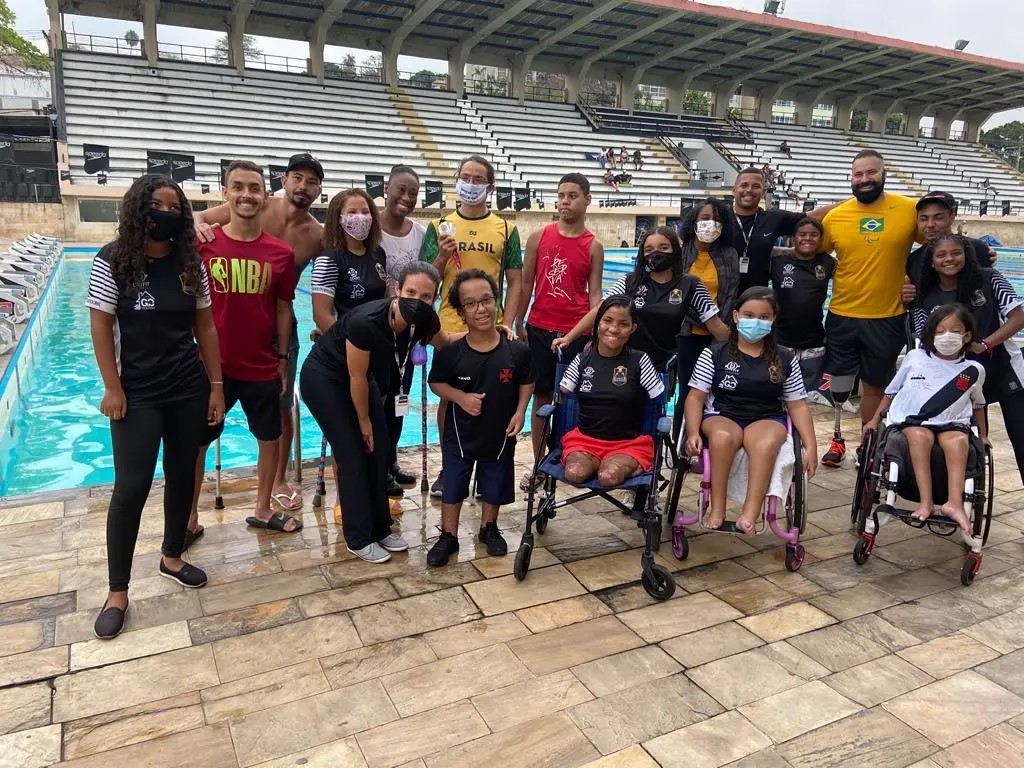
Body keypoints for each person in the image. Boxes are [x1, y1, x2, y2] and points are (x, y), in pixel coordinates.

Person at [87, 174, 225, 639]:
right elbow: (101, 327)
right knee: (131, 487)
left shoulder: (189, 264)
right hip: (137, 391)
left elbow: (205, 328)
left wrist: (215, 387)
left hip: (186, 386)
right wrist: (112, 388)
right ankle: (117, 592)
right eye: (157, 205)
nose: (165, 214)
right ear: (138, 209)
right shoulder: (111, 261)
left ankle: (172, 556)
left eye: (174, 207)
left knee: (182, 473)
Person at [194, 152, 323, 522]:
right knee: (201, 424)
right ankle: (189, 507)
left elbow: (334, 275)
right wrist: (196, 223)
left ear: (318, 190)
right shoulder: (256, 203)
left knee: (281, 406)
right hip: (225, 329)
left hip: (277, 330)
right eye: (297, 177)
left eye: (311, 181)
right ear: (283, 182)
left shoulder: (316, 235)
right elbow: (197, 218)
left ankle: (277, 481)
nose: (303, 186)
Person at [301, 262, 451, 563]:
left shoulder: (425, 319)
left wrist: (492, 334)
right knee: (354, 453)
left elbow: (445, 342)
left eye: (425, 296)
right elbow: (355, 376)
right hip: (326, 378)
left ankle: (381, 528)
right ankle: (358, 537)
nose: (417, 301)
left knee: (380, 449)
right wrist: (364, 420)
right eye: (411, 292)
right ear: (397, 289)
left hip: (361, 380)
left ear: (434, 298)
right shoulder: (366, 321)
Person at [555, 226, 729, 439]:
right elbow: (600, 310)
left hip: (659, 365)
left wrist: (744, 346)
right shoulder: (630, 282)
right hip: (621, 359)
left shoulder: (691, 285)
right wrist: (569, 337)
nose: (656, 253)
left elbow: (716, 326)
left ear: (675, 250)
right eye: (649, 249)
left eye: (663, 247)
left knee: (648, 417)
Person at [420, 154, 523, 498]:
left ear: (490, 187)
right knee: (451, 399)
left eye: (479, 179)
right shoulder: (440, 226)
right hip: (450, 328)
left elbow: (515, 281)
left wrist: (507, 322)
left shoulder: (506, 229)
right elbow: (427, 278)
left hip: (491, 327)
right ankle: (449, 467)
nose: (471, 184)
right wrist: (441, 256)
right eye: (466, 177)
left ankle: (486, 469)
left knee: (495, 399)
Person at [683, 287, 817, 533]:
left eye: (763, 317)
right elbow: (695, 397)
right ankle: (717, 509)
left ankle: (750, 514)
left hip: (766, 416)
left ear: (773, 320)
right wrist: (692, 433)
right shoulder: (715, 353)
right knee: (722, 437)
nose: (756, 322)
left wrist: (811, 447)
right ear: (736, 316)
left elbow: (797, 404)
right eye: (749, 315)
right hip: (722, 413)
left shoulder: (785, 359)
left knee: (765, 444)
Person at [427, 269, 534, 566]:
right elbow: (436, 383)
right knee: (453, 484)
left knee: (495, 480)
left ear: (496, 301)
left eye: (486, 300)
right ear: (461, 313)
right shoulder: (451, 353)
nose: (481, 309)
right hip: (460, 433)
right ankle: (448, 535)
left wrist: (520, 411)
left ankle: (489, 528)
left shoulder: (516, 350)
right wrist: (461, 398)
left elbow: (527, 381)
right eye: (471, 304)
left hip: (499, 432)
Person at [819, 150, 918, 467]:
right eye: (858, 174)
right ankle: (836, 440)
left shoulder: (908, 210)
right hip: (842, 314)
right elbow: (810, 251)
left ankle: (868, 444)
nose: (865, 179)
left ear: (884, 173)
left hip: (887, 317)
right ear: (851, 178)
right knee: (838, 383)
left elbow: (937, 242)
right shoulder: (837, 216)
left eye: (871, 172)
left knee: (875, 384)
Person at [311, 188, 400, 510]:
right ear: (338, 217)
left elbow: (387, 303)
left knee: (375, 425)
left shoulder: (377, 255)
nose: (359, 218)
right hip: (348, 358)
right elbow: (321, 314)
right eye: (352, 212)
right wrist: (346, 347)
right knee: (348, 432)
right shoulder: (329, 259)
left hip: (379, 355)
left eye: (365, 212)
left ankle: (372, 496)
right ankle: (345, 503)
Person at [864, 304, 987, 534]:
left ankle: (954, 503)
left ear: (967, 336)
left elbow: (979, 404)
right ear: (931, 334)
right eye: (940, 331)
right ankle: (925, 501)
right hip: (913, 420)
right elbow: (891, 391)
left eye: (955, 331)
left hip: (952, 422)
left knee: (958, 442)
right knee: (920, 437)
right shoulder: (915, 358)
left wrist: (984, 434)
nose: (947, 336)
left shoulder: (973, 370)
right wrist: (874, 419)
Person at [516, 173, 604, 492]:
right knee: (541, 398)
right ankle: (539, 464)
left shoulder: (594, 246)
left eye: (572, 195)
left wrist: (594, 332)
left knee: (570, 400)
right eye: (561, 195)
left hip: (575, 332)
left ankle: (568, 458)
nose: (565, 201)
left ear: (587, 200)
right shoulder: (538, 237)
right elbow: (527, 283)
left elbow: (595, 295)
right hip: (539, 328)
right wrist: (518, 322)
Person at [912, 235, 1024, 483]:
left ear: (966, 255)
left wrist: (985, 344)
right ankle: (970, 493)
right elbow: (923, 336)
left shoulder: (989, 278)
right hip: (960, 377)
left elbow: (1018, 317)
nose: (949, 259)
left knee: (1021, 435)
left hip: (1003, 368)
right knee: (972, 440)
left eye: (956, 253)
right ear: (932, 262)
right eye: (941, 255)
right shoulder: (925, 297)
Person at [558, 296, 665, 486]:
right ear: (597, 323)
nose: (614, 329)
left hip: (627, 445)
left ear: (632, 328)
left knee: (609, 476)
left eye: (623, 324)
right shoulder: (581, 360)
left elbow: (659, 399)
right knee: (574, 473)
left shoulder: (640, 361)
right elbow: (564, 389)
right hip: (583, 442)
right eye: (607, 320)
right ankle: (598, 464)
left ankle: (625, 466)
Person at [380, 165, 427, 488]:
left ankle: (390, 461)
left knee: (399, 401)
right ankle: (377, 466)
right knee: (379, 400)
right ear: (387, 188)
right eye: (401, 190)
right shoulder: (371, 229)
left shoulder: (420, 234)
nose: (407, 198)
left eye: (413, 193)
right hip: (376, 330)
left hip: (406, 334)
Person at [676, 197, 741, 424]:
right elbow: (676, 296)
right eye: (705, 218)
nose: (711, 223)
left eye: (716, 219)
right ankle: (681, 439)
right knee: (687, 391)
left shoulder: (729, 255)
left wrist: (721, 329)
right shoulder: (680, 253)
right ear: (694, 221)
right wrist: (708, 322)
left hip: (719, 336)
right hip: (686, 334)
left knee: (714, 391)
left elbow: (731, 294)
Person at [723, 168, 834, 295]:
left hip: (756, 297)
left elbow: (813, 216)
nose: (749, 190)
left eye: (756, 186)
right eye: (744, 185)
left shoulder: (773, 218)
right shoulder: (721, 217)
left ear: (763, 192)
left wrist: (849, 202)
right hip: (721, 296)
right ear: (733, 190)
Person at [772, 217, 835, 395]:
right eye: (802, 234)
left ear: (820, 239)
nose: (808, 238)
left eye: (813, 235)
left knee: (809, 394)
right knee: (776, 391)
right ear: (794, 238)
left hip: (814, 343)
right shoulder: (778, 262)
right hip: (781, 341)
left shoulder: (827, 262)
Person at [903, 191, 996, 304]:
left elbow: (989, 291)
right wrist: (908, 298)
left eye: (938, 218)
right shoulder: (914, 259)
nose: (930, 224)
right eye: (924, 219)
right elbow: (919, 301)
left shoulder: (977, 249)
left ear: (952, 217)